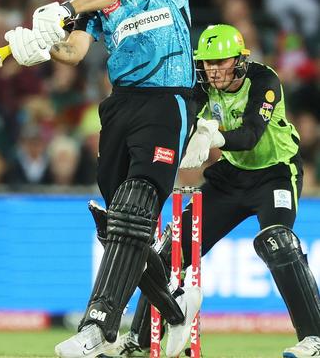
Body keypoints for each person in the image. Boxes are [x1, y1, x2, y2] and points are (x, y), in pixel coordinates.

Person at [4, 0, 201, 358]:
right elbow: (73, 52)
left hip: (166, 99)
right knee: (120, 227)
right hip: (120, 109)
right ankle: (175, 309)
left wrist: (65, 8)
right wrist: (36, 44)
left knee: (132, 213)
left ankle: (98, 326)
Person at [113, 24, 320, 358]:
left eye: (220, 62)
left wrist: (215, 137)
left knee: (278, 241)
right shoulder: (202, 87)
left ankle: (315, 338)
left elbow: (252, 134)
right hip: (231, 176)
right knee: (169, 252)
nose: (213, 70)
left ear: (239, 60)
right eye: (207, 63)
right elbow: (182, 122)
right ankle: (138, 338)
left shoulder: (264, 81)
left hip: (275, 175)